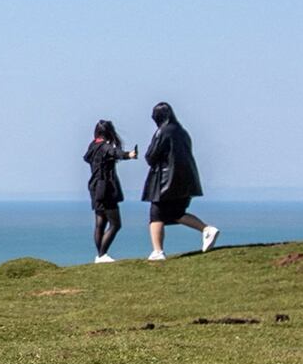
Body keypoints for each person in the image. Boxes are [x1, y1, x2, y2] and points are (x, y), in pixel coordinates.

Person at [142, 101, 217, 260]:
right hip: (185, 181)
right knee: (176, 213)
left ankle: (158, 251)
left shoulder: (162, 132)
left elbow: (151, 156)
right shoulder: (182, 132)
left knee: (156, 214)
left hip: (165, 181)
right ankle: (206, 229)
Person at [83, 120, 137, 263]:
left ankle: (99, 255)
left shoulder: (92, 146)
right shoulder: (105, 147)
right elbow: (115, 152)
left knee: (100, 223)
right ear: (109, 132)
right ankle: (102, 254)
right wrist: (129, 155)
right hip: (106, 188)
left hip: (94, 187)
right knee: (115, 224)